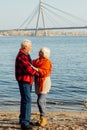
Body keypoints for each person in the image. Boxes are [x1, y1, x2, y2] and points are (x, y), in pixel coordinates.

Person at [15, 39, 38, 130]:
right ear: (25, 47)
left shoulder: (26, 54)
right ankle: (25, 122)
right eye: (30, 46)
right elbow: (28, 68)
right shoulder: (22, 55)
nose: (31, 48)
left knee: (25, 100)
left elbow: (30, 65)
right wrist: (38, 73)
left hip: (28, 80)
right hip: (24, 80)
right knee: (27, 100)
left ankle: (23, 119)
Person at [30, 47, 52, 127]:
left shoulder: (47, 62)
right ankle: (42, 118)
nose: (39, 53)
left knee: (40, 101)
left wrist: (36, 69)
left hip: (44, 82)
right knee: (43, 101)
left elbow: (45, 72)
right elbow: (30, 63)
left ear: (45, 54)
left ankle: (43, 117)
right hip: (38, 82)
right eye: (39, 51)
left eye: (41, 52)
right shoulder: (36, 60)